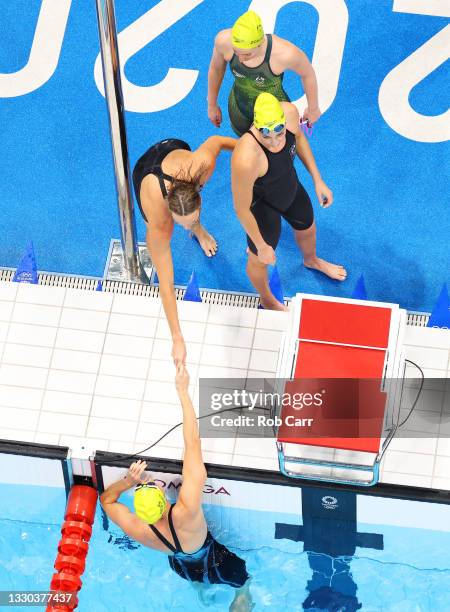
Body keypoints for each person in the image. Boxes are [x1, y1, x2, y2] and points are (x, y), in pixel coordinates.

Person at [100, 364, 253, 612]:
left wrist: (126, 481)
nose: (154, 485)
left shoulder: (140, 530)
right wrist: (183, 392)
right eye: (153, 488)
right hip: (220, 563)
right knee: (243, 582)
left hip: (182, 569)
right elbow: (192, 445)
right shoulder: (185, 511)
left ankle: (201, 590)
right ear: (162, 501)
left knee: (197, 577)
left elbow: (106, 501)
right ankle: (242, 595)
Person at [231, 92, 346, 311]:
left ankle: (311, 260)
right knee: (258, 260)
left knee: (308, 227)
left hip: (289, 187)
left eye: (279, 133)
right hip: (261, 206)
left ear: (284, 123)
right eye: (266, 136)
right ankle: (266, 298)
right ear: (256, 126)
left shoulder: (291, 114)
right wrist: (262, 245)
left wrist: (317, 179)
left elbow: (300, 139)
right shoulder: (246, 158)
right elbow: (241, 209)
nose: (274, 142)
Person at [132, 136, 236, 365]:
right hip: (145, 172)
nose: (184, 225)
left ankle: (199, 229)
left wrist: (253, 152)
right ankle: (196, 228)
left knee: (192, 216)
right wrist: (177, 337)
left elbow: (217, 141)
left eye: (192, 219)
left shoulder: (201, 165)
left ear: (198, 196)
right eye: (182, 223)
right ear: (171, 215)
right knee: (165, 230)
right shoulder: (160, 223)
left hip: (173, 147)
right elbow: (166, 285)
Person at [207, 10, 321, 136]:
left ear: (260, 43)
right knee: (248, 147)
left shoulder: (285, 54)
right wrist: (212, 104)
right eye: (236, 51)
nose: (240, 59)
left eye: (247, 54)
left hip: (275, 112)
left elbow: (307, 74)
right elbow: (216, 69)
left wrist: (313, 109)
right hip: (240, 110)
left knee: (278, 149)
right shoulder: (223, 41)